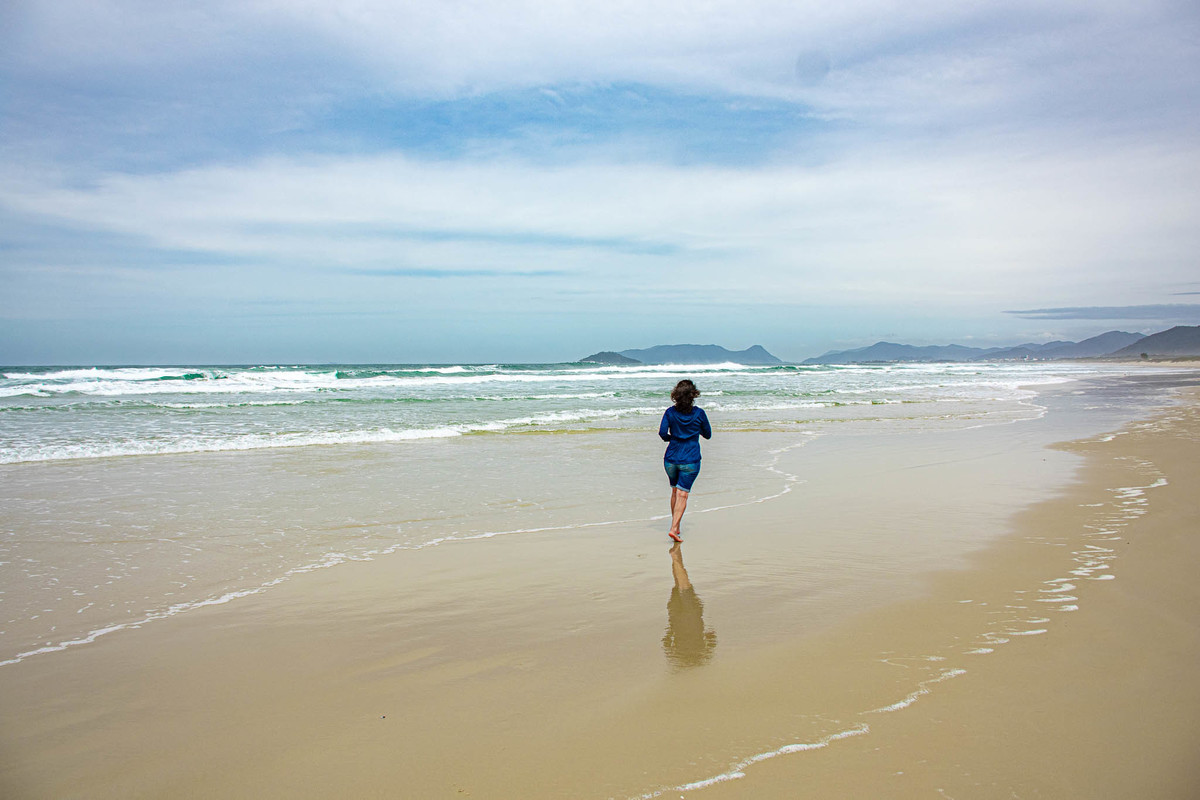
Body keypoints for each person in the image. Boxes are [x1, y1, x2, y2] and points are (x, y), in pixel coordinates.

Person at [658, 379, 712, 542]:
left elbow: (662, 433)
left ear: (676, 395)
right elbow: (708, 434)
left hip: (671, 458)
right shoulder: (699, 413)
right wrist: (693, 432)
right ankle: (674, 528)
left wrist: (673, 438)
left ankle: (677, 526)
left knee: (675, 491)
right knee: (683, 494)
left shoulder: (670, 412)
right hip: (691, 458)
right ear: (693, 395)